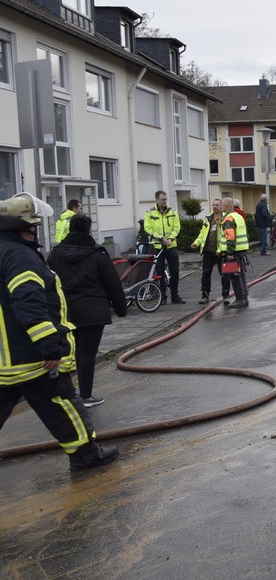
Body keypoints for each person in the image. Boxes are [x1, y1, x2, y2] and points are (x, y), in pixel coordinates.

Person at [0, 193, 119, 469]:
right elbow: (29, 303)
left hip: (5, 359)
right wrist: (49, 346)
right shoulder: (20, 257)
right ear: (27, 227)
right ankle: (87, 455)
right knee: (62, 403)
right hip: (31, 357)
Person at [46, 213, 128, 408]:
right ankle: (85, 396)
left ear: (70, 228)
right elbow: (113, 283)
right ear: (88, 229)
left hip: (65, 311)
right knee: (88, 353)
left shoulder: (55, 254)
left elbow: (47, 282)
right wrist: (121, 309)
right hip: (93, 310)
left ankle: (68, 394)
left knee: (70, 353)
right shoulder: (97, 253)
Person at [143, 190, 185, 304]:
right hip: (157, 246)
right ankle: (163, 297)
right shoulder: (150, 213)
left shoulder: (172, 212)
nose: (165, 201)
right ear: (157, 199)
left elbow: (177, 227)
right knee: (160, 273)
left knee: (175, 271)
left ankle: (175, 296)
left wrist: (170, 238)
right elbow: (148, 229)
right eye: (163, 199)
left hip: (171, 246)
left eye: (166, 199)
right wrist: (161, 238)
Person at [219, 195, 250, 309]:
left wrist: (230, 253)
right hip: (241, 250)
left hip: (233, 252)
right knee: (241, 274)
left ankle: (240, 299)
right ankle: (244, 297)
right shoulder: (238, 216)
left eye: (222, 204)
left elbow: (230, 237)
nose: (221, 206)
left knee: (234, 276)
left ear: (226, 206)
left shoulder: (228, 219)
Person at [191, 198, 224, 304]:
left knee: (224, 274)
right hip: (208, 251)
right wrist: (196, 243)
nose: (215, 207)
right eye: (213, 205)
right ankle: (205, 295)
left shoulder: (226, 218)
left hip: (221, 251)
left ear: (221, 206)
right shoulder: (208, 218)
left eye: (217, 205)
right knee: (206, 273)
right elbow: (202, 234)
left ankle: (226, 294)